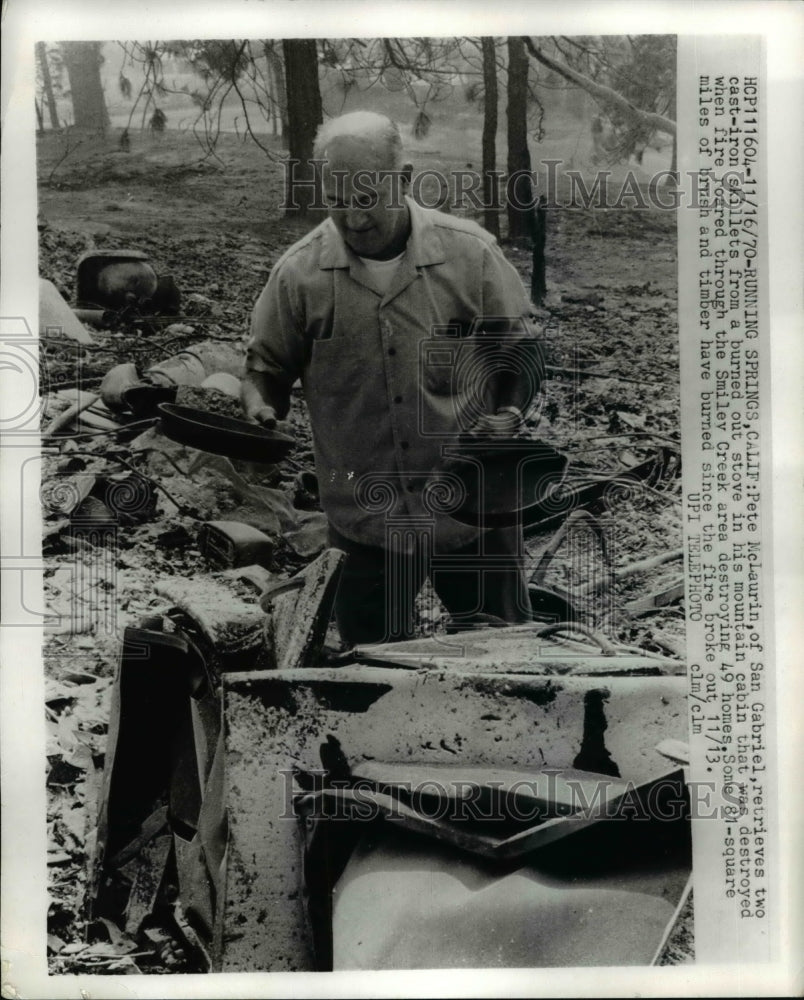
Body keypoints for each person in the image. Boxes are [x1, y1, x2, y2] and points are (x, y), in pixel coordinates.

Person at [242, 111, 543, 645]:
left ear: (402, 180)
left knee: (503, 661)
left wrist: (509, 414)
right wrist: (262, 407)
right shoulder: (299, 274)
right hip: (364, 522)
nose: (354, 219)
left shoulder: (469, 253)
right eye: (337, 200)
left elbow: (518, 354)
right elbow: (266, 369)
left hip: (473, 510)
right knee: (373, 678)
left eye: (366, 199)